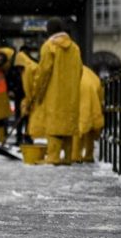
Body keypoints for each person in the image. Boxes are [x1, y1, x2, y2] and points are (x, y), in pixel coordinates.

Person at [30, 18, 82, 165]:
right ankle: (67, 157)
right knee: (68, 124)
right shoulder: (75, 48)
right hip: (71, 94)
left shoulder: (49, 47)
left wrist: (38, 93)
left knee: (54, 125)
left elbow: (43, 72)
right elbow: (79, 71)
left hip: (54, 93)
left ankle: (53, 156)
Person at [72, 64, 104, 163]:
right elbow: (100, 92)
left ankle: (76, 155)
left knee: (78, 126)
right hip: (93, 99)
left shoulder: (73, 69)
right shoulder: (91, 74)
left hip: (80, 97)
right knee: (90, 128)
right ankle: (88, 155)